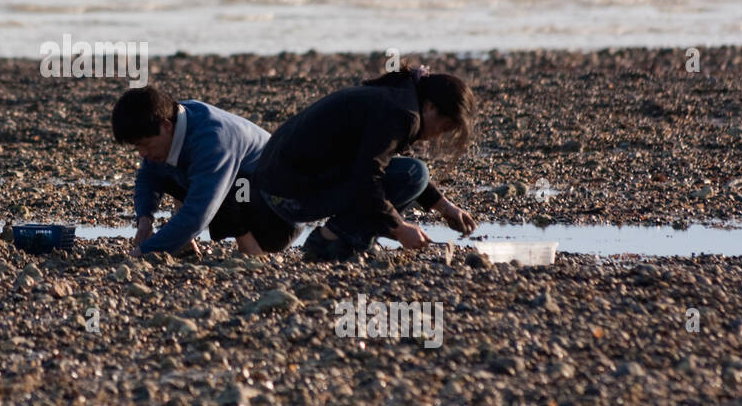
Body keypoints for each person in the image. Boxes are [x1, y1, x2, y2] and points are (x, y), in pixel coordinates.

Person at [248, 64, 478, 260]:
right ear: (430, 107)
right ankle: (331, 240)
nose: (440, 135)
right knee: (413, 173)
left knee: (413, 174)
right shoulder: (403, 114)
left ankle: (347, 237)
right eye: (445, 127)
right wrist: (399, 229)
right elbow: (368, 178)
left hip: (274, 191)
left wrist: (445, 207)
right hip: (289, 198)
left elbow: (378, 165)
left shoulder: (396, 97)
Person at [112, 85, 270, 257]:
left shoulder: (211, 140)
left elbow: (197, 214)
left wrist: (145, 251)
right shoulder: (172, 119)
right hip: (242, 183)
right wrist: (144, 219)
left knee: (214, 189)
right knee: (166, 166)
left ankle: (252, 250)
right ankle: (184, 243)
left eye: (145, 144)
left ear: (166, 126)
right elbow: (149, 175)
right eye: (137, 146)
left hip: (271, 199)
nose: (142, 153)